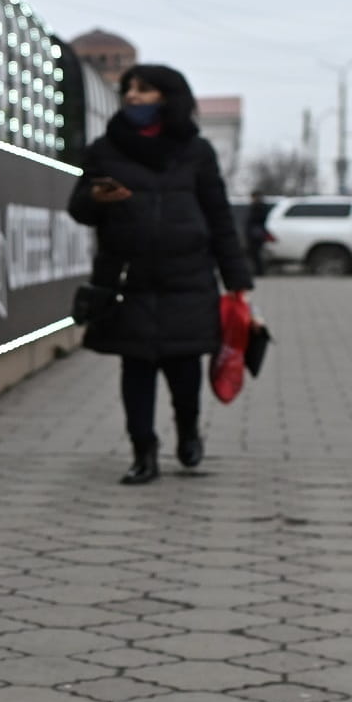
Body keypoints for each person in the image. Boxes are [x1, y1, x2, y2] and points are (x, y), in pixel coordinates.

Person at [67, 64, 255, 485]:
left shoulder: (196, 152)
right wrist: (96, 197)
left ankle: (188, 433)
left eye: (145, 90)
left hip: (187, 276)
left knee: (184, 368)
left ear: (167, 98)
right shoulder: (105, 149)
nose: (132, 96)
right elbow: (79, 209)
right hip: (126, 277)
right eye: (129, 89)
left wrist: (237, 278)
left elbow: (219, 217)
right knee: (135, 367)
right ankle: (143, 451)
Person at [245, 191, 271, 277]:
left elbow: (255, 219)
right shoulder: (258, 206)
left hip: (256, 233)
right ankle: (258, 270)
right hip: (256, 232)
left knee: (256, 253)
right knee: (254, 253)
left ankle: (259, 271)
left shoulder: (259, 206)